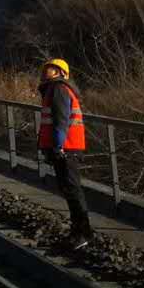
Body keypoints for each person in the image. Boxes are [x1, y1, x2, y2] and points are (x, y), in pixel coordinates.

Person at [38, 58, 93, 251]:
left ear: (61, 73)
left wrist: (58, 146)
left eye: (51, 69)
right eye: (46, 68)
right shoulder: (56, 89)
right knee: (70, 190)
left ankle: (83, 233)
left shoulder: (59, 90)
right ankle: (77, 232)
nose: (46, 71)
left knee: (72, 190)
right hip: (66, 147)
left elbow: (61, 121)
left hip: (66, 148)